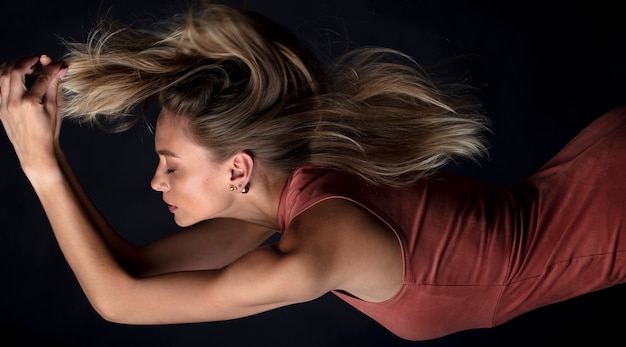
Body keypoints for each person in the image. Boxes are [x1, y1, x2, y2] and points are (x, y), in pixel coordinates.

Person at [0, 2, 624, 342]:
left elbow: (119, 303)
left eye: (170, 165)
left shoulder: (320, 246)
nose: (156, 183)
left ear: (239, 169)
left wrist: (39, 163)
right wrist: (47, 153)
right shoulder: (290, 193)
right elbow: (130, 273)